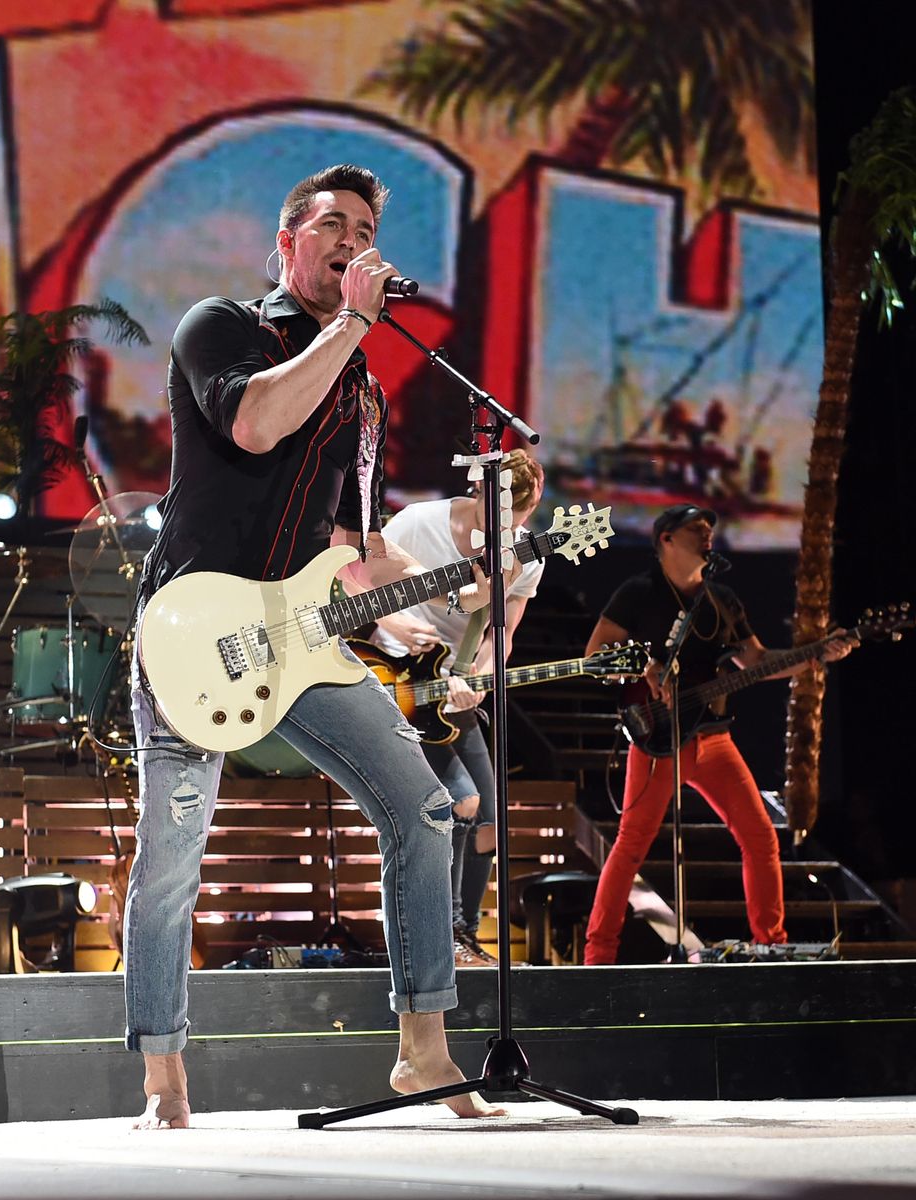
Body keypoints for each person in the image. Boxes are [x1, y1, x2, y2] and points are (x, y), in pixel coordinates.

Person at [124, 164, 512, 1128]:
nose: (351, 240)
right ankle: (164, 1077)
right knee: (173, 854)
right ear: (287, 241)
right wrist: (350, 327)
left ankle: (424, 1053)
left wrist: (432, 599)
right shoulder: (221, 325)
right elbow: (254, 425)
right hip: (195, 626)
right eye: (333, 224)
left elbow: (356, 547)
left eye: (365, 229)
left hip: (298, 640)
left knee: (424, 808)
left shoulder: (364, 393)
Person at [582, 503, 857, 965]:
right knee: (631, 845)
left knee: (760, 836)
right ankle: (598, 956)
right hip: (657, 740)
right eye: (696, 528)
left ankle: (771, 945)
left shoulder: (722, 599)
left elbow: (755, 661)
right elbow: (595, 654)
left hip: (713, 738)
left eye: (711, 527)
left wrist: (817, 654)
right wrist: (647, 667)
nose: (708, 534)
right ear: (666, 538)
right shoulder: (639, 592)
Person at [371, 450, 545, 966]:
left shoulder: (526, 557)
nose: (505, 531)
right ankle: (443, 937)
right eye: (499, 516)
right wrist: (397, 625)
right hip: (400, 680)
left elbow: (500, 634)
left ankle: (465, 937)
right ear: (480, 492)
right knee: (461, 802)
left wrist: (480, 680)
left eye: (517, 520)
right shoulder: (419, 522)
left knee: (491, 820)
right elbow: (360, 580)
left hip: (453, 688)